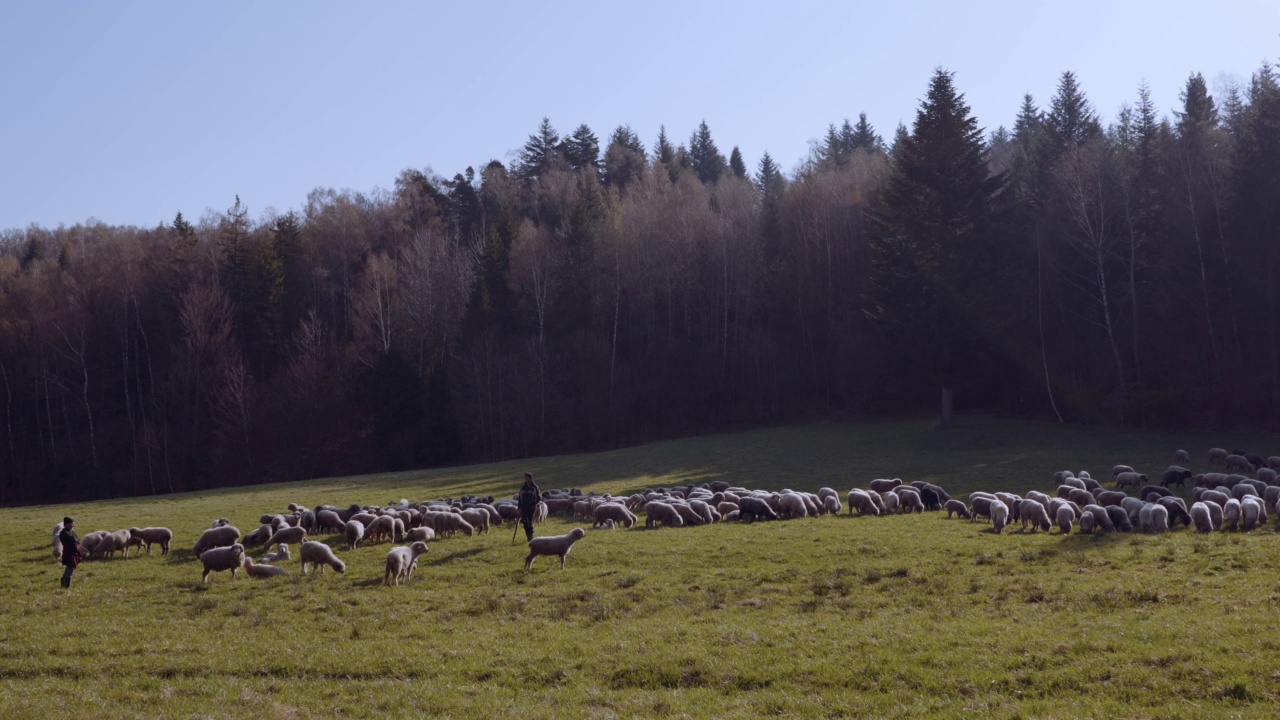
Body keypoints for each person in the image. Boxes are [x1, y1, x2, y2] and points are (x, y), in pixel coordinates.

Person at [58, 517, 82, 589]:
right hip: (69, 553)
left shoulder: (71, 531)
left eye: (72, 523)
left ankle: (63, 585)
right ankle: (66, 586)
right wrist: (76, 542)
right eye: (70, 524)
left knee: (69, 568)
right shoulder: (64, 533)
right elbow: (73, 540)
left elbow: (78, 539)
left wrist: (76, 542)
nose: (72, 525)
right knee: (70, 569)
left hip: (73, 553)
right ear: (65, 525)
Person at [518, 472, 541, 543]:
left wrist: (533, 503)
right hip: (523, 507)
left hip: (531, 508)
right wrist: (519, 507)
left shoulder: (534, 488)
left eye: (527, 478)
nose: (526, 480)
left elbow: (538, 498)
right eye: (525, 478)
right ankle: (528, 537)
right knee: (525, 523)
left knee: (530, 522)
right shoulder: (522, 488)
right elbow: (520, 498)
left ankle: (531, 538)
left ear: (531, 478)